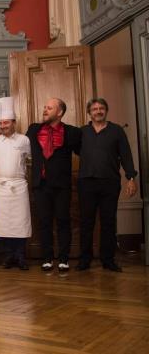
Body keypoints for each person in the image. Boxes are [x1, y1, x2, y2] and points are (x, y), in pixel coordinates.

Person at [76, 98, 137, 272]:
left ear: (106, 110)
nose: (98, 111)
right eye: (94, 109)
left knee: (108, 222)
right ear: (89, 112)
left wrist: (131, 178)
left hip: (110, 182)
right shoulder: (82, 132)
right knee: (86, 222)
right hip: (86, 182)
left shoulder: (116, 131)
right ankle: (84, 259)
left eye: (101, 108)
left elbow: (126, 155)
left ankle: (108, 260)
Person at [26, 98, 81, 272]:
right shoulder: (34, 129)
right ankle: (47, 258)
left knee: (63, 221)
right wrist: (0, 133)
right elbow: (18, 143)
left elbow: (85, 151)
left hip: (61, 185)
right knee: (44, 222)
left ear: (59, 112)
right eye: (44, 107)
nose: (45, 110)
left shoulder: (72, 132)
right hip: (40, 185)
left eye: (49, 108)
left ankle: (64, 259)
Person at [0, 97, 32, 271]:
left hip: (19, 185)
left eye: (6, 122)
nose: (3, 126)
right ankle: (8, 256)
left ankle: (20, 256)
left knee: (20, 222)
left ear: (14, 122)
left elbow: (29, 160)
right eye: (0, 123)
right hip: (1, 186)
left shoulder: (24, 140)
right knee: (3, 223)